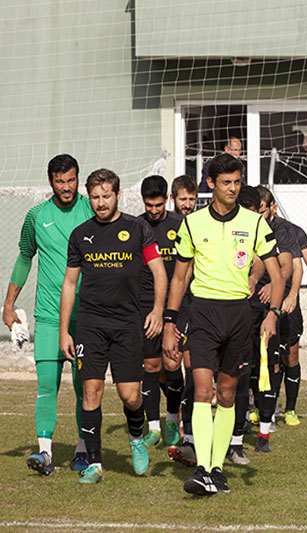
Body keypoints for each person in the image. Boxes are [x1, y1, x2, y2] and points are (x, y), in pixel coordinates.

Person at [163, 153, 284, 495]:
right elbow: (180, 277)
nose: (233, 188)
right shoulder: (192, 224)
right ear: (211, 185)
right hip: (202, 315)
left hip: (238, 316)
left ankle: (217, 469)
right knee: (202, 391)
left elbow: (276, 273)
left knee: (228, 394)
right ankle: (203, 467)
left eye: (237, 181)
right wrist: (170, 321)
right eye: (226, 182)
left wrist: (273, 313)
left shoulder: (256, 223)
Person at [59, 169, 167, 484]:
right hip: (91, 324)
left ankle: (136, 437)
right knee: (90, 392)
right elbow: (69, 284)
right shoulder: (80, 234)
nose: (101, 202)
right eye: (95, 197)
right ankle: (94, 463)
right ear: (88, 198)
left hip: (127, 324)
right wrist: (66, 330)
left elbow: (159, 273)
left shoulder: (138, 229)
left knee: (131, 396)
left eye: (106, 196)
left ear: (118, 195)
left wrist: (158, 310)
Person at [3, 154, 94, 475]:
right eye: (60, 181)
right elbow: (24, 258)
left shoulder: (91, 209)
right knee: (46, 386)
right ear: (50, 181)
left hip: (87, 317)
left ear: (78, 179)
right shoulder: (36, 216)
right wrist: (9, 304)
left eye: (71, 180)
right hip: (48, 316)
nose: (66, 187)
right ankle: (45, 454)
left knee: (85, 388)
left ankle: (83, 450)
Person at [229, 186, 296, 459]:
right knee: (240, 372)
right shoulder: (233, 230)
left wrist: (272, 288)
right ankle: (237, 430)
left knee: (268, 365)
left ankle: (265, 432)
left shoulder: (276, 231)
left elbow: (285, 264)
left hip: (264, 310)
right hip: (235, 309)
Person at [255, 187, 307, 430]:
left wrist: (302, 293)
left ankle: (290, 408)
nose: (258, 215)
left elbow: (302, 265)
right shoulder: (250, 227)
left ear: (272, 207)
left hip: (285, 301)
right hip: (260, 301)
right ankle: (265, 409)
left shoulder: (289, 231)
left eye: (262, 210)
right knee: (265, 357)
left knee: (289, 355)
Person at [137, 176, 185, 449]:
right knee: (151, 366)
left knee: (172, 363)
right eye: (148, 205)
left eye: (158, 204)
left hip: (176, 306)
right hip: (145, 306)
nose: (154, 210)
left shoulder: (179, 225)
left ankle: (171, 418)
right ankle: (153, 426)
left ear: (167, 199)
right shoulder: (136, 226)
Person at [167, 175, 199, 467]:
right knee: (167, 368)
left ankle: (188, 436)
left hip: (194, 309)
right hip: (168, 307)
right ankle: (169, 417)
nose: (187, 205)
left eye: (191, 199)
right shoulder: (162, 228)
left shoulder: (200, 226)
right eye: (182, 200)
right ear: (172, 199)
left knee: (192, 371)